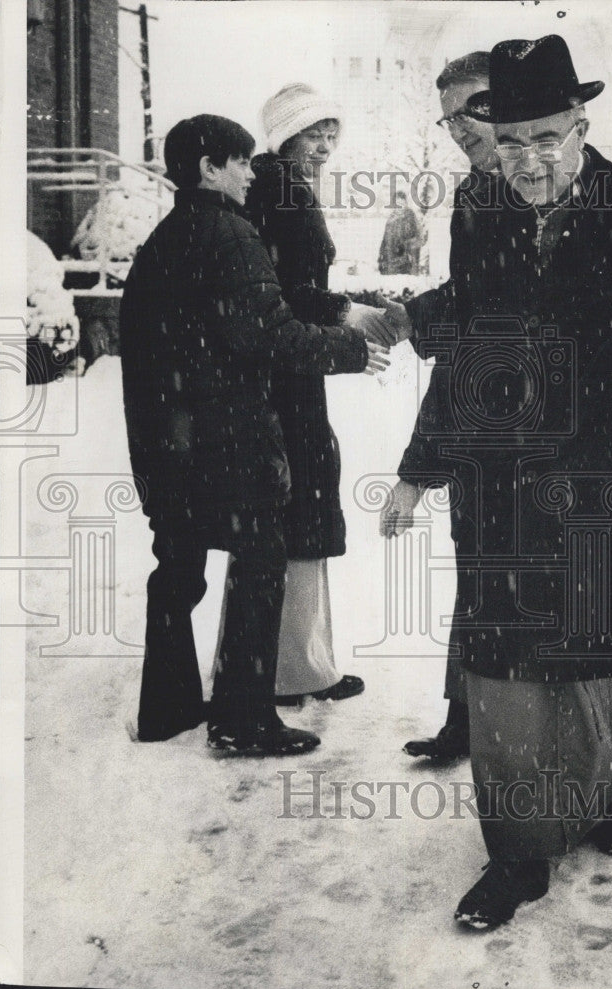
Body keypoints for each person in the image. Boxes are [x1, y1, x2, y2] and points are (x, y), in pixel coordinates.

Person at [376, 36, 612, 929]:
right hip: (507, 485)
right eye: (509, 142)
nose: (527, 160)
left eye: (547, 137)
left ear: (582, 124)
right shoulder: (477, 206)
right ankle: (515, 854)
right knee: (510, 671)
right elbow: (469, 344)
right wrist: (418, 470)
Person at [119, 114, 388, 756]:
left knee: (177, 571)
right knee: (260, 565)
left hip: (168, 443)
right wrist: (350, 348)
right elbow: (270, 333)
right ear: (209, 168)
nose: (249, 173)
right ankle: (243, 718)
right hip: (230, 443)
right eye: (239, 162)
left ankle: (168, 704)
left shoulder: (164, 240)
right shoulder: (232, 237)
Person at [372, 51, 499, 762]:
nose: (459, 128)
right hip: (483, 436)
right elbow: (471, 322)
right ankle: (466, 721)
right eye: (449, 116)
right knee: (479, 587)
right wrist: (406, 318)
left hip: (552, 446)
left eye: (473, 107)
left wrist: (413, 319)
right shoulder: (474, 200)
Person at [244, 82, 386, 707]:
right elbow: (289, 294)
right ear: (285, 136)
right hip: (287, 374)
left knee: (292, 511)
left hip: (282, 372)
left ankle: (298, 664)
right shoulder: (284, 191)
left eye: (333, 132)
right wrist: (348, 315)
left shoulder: (269, 187)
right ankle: (292, 670)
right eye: (315, 133)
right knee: (300, 509)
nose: (326, 145)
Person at [377, 190, 423, 275]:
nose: (399, 206)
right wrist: (381, 257)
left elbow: (415, 238)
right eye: (397, 203)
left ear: (406, 204)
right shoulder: (391, 220)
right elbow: (385, 240)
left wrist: (405, 247)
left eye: (402, 203)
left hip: (405, 260)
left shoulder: (410, 217)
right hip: (390, 260)